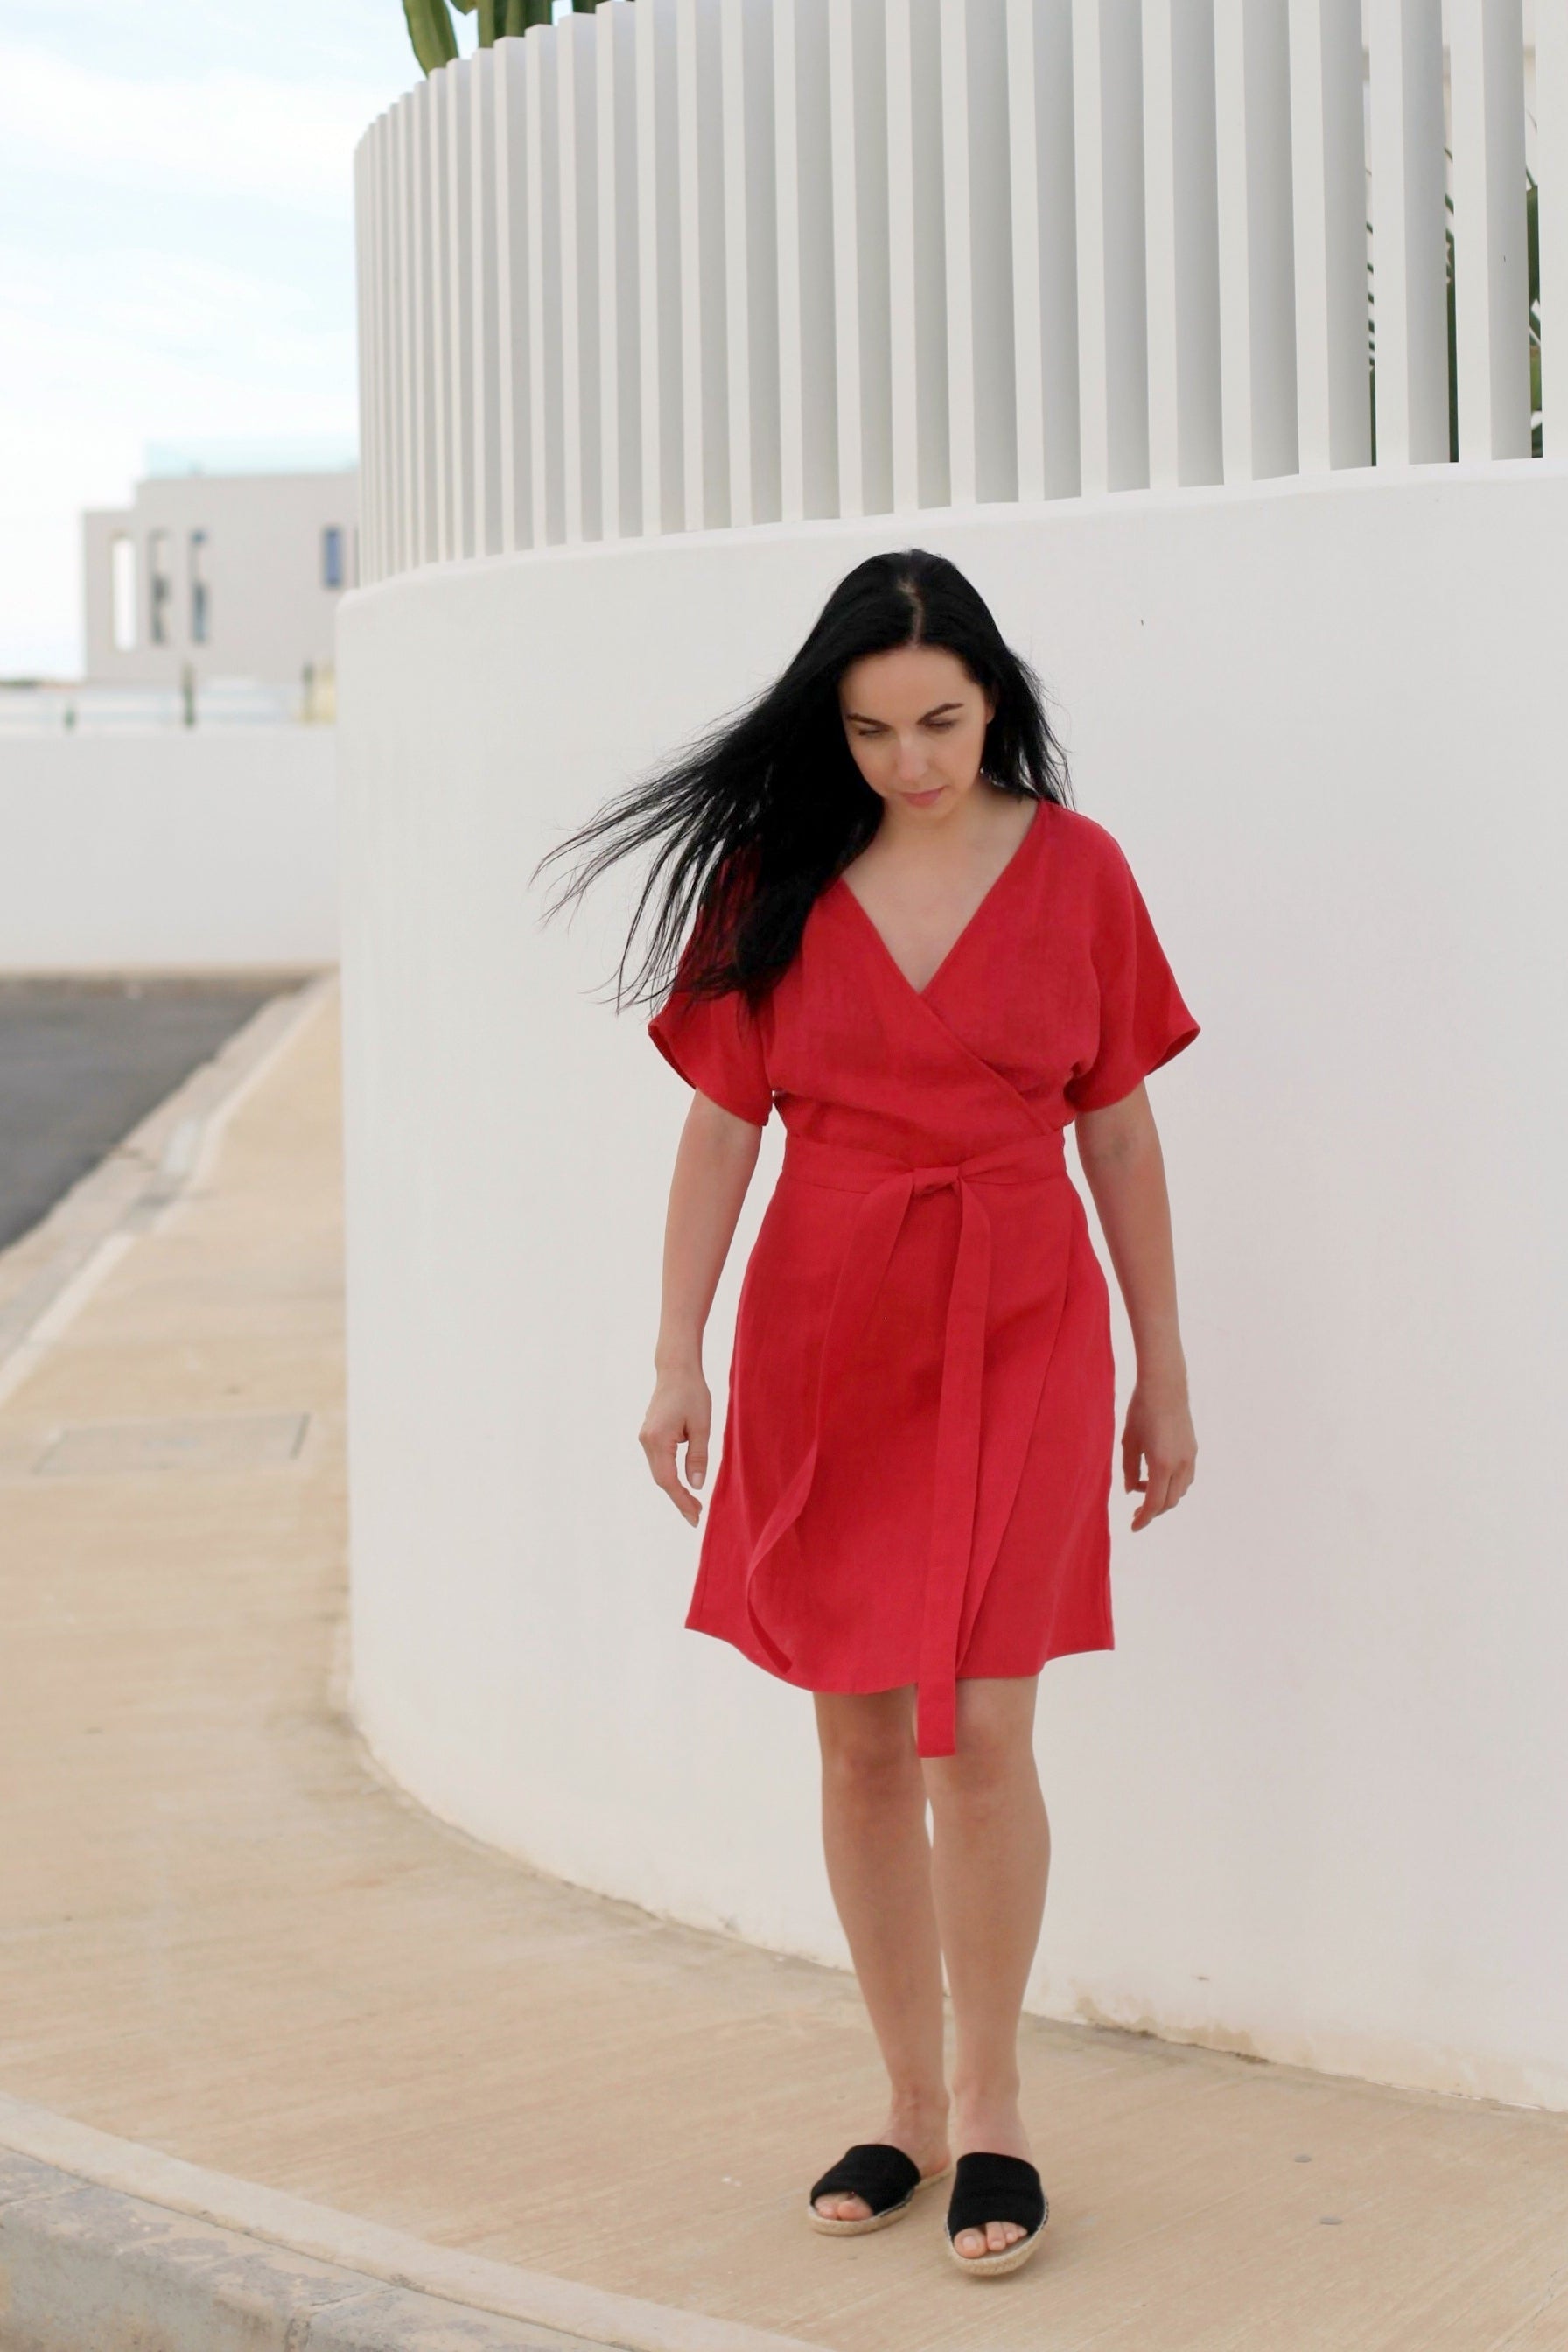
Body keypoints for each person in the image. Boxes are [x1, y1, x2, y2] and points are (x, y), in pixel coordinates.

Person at [533, 549, 1200, 2278]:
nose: (911, 761)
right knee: (854, 1737)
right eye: (873, 730)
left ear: (996, 704)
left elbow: (1120, 1129)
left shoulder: (1078, 870)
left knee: (981, 1729)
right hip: (826, 1322)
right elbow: (719, 1127)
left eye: (942, 723)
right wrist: (674, 1353)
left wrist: (1164, 1366)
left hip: (1023, 1312)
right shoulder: (774, 877)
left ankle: (993, 2109)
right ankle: (903, 2102)